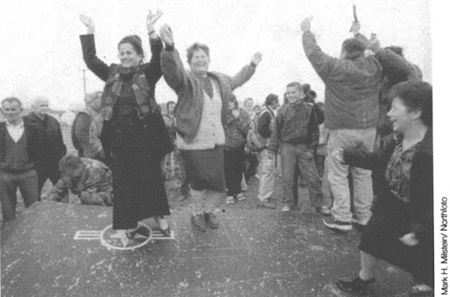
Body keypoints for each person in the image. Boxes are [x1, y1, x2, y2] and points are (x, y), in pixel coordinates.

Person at [79, 10, 173, 241]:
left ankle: (160, 216)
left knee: (151, 178)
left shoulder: (150, 73)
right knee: (124, 184)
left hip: (146, 139)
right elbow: (91, 60)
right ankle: (127, 224)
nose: (124, 56)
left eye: (129, 52)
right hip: (119, 141)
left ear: (140, 55)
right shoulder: (111, 73)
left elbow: (159, 55)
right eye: (121, 53)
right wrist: (90, 31)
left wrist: (151, 31)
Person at [159, 24, 262, 232]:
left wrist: (251, 65)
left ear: (209, 59)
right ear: (189, 61)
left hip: (216, 141)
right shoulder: (185, 80)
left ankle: (208, 211)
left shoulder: (219, 80)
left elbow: (237, 79)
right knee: (198, 183)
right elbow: (172, 72)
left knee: (216, 183)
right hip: (193, 142)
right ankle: (196, 213)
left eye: (203, 56)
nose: (200, 59)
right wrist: (169, 48)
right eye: (195, 57)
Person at [336, 81, 433, 296]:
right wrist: (348, 155)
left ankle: (425, 287)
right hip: (392, 205)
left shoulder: (433, 152)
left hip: (421, 215)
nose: (389, 114)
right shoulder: (395, 140)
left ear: (416, 111)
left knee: (423, 255)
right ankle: (364, 278)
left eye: (394, 108)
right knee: (370, 239)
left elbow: (437, 201)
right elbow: (380, 161)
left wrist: (420, 228)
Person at [301, 17, 385, 231]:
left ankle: (342, 218)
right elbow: (371, 52)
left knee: (338, 172)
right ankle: (364, 216)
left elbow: (314, 54)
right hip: (369, 129)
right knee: (363, 172)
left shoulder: (336, 67)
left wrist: (306, 32)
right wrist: (358, 33)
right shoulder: (374, 66)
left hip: (342, 128)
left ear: (344, 52)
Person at [268, 82, 330, 215]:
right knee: (288, 178)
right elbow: (276, 132)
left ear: (301, 94)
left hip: (304, 147)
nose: (290, 95)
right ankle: (289, 203)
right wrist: (272, 149)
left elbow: (314, 132)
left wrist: (311, 149)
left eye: (293, 92)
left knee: (313, 178)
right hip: (287, 147)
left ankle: (318, 204)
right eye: (288, 93)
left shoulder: (309, 109)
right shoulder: (282, 110)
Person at [0, 97, 46, 223]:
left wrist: (34, 167)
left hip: (28, 174)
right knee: (7, 211)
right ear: (2, 111)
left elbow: (41, 150)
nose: (10, 112)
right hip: (5, 175)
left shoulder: (33, 128)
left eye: (13, 109)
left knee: (33, 208)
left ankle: (32, 235)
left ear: (21, 110)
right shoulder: (0, 128)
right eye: (6, 109)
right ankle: (9, 238)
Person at [24, 96, 67, 199]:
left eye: (46, 105)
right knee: (34, 192)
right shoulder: (25, 122)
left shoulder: (53, 121)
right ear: (33, 107)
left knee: (62, 189)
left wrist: (61, 155)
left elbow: (60, 141)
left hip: (54, 163)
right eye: (41, 105)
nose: (44, 107)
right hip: (36, 165)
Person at [45, 155, 113, 206]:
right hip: (86, 195)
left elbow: (88, 197)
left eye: (70, 174)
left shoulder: (95, 170)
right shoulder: (69, 170)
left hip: (102, 196)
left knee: (91, 200)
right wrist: (47, 204)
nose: (67, 177)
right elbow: (57, 190)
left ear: (79, 168)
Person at [224, 95, 251, 205]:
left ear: (235, 102)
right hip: (226, 146)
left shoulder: (243, 113)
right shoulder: (222, 114)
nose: (229, 104)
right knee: (228, 170)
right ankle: (230, 193)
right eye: (227, 102)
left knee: (239, 169)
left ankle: (238, 191)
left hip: (239, 145)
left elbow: (246, 130)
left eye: (231, 102)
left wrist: (238, 118)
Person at [255, 94, 279, 209]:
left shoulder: (266, 111)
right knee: (267, 171)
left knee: (267, 171)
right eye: (276, 102)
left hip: (265, 146)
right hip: (266, 146)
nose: (277, 104)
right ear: (273, 102)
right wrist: (272, 135)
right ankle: (263, 198)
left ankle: (266, 194)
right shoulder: (267, 113)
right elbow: (261, 129)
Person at [72, 91, 102, 158]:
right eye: (100, 98)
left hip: (100, 151)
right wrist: (92, 148)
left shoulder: (100, 113)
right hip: (90, 153)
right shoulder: (85, 113)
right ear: (93, 100)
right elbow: (80, 133)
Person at [162, 100, 177, 179]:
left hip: (177, 140)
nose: (172, 107)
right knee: (167, 159)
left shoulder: (177, 117)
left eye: (174, 106)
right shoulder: (164, 117)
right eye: (171, 106)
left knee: (177, 158)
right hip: (168, 140)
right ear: (168, 107)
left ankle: (177, 174)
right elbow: (164, 128)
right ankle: (168, 174)